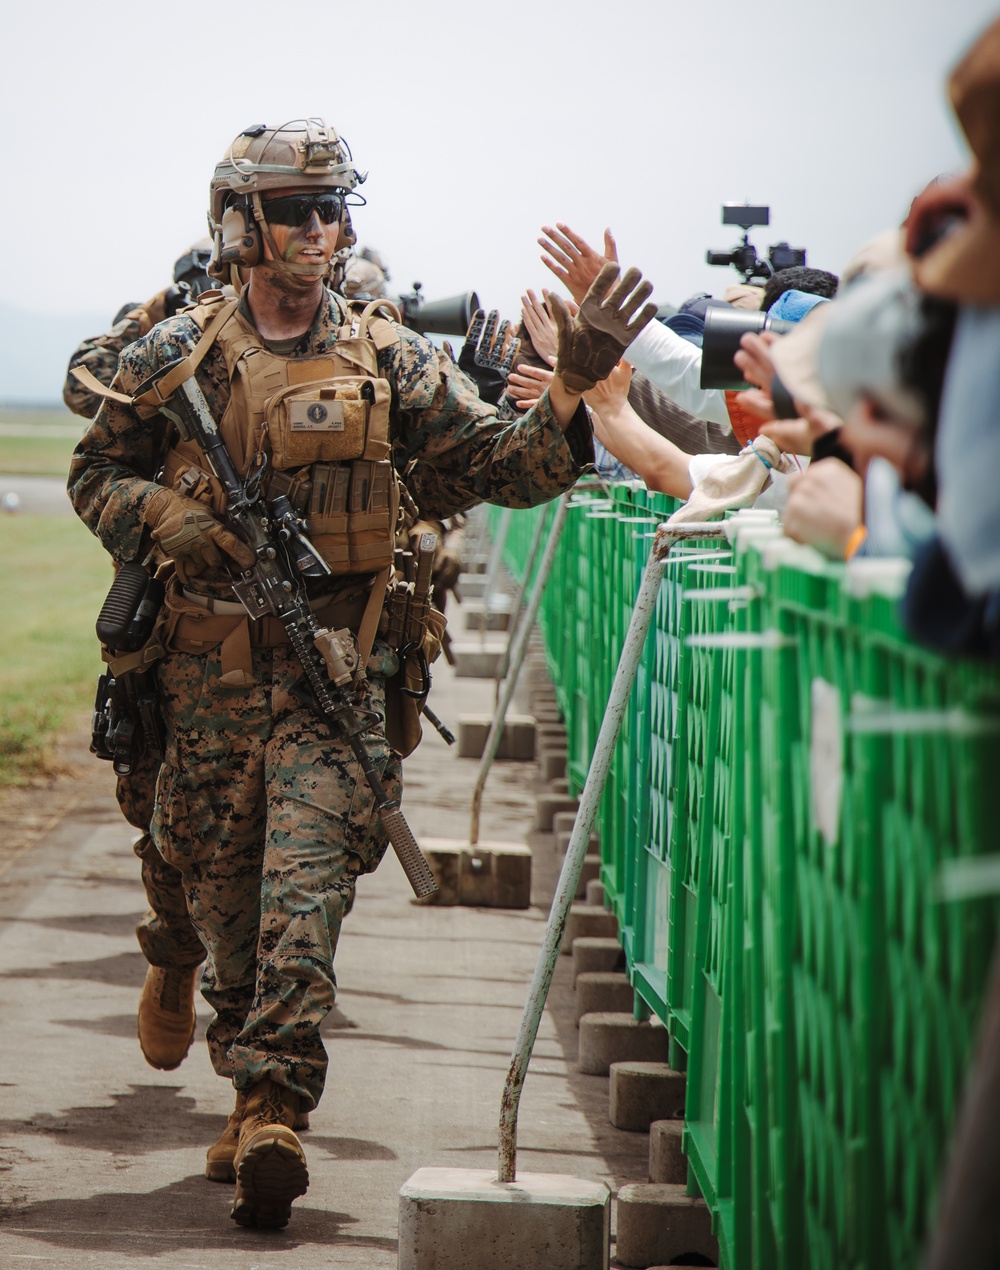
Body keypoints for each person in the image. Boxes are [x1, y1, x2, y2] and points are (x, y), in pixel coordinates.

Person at [67, 117, 656, 1229]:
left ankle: (276, 1102)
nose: (319, 229)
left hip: (333, 691)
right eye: (295, 209)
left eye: (334, 208)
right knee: (224, 907)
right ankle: (243, 1076)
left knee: (304, 899)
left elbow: (504, 466)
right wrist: (163, 519)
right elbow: (94, 469)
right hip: (203, 692)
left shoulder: (391, 356)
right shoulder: (178, 352)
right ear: (240, 223)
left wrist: (570, 395)